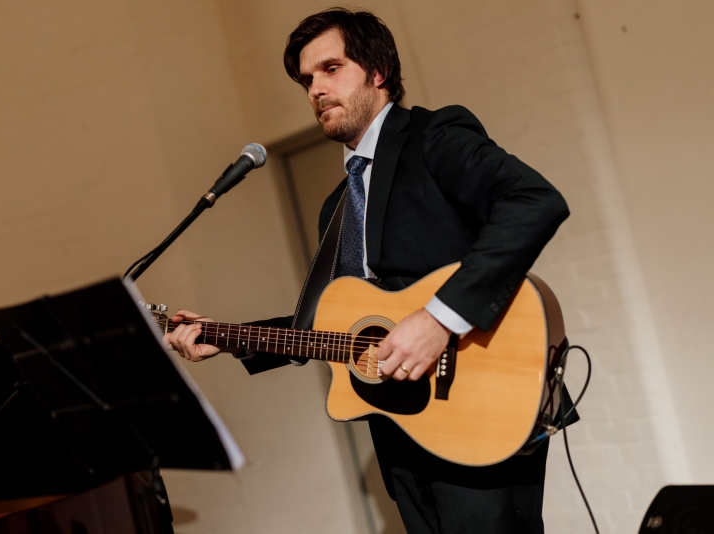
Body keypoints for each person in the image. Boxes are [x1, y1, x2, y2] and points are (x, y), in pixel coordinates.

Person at [165, 8, 571, 533]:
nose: (316, 89)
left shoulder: (434, 135)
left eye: (331, 69)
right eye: (306, 80)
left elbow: (535, 201)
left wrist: (438, 320)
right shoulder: (335, 207)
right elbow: (326, 328)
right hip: (400, 430)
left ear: (378, 72)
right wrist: (225, 337)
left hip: (479, 404)